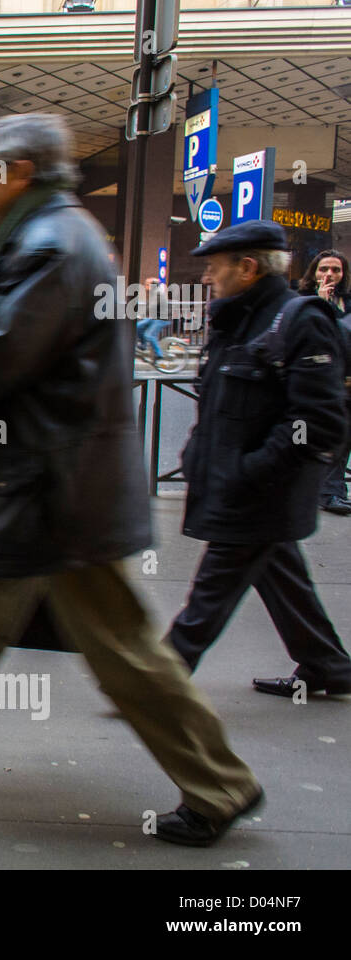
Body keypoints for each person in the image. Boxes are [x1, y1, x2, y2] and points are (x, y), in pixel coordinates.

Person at [0, 113, 262, 847]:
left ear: (19, 172)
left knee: (120, 647)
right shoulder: (61, 234)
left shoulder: (49, 246)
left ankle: (220, 785)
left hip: (52, 494)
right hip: (45, 485)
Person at [164, 222, 351, 699]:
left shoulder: (299, 319)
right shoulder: (237, 320)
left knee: (207, 599)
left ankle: (153, 685)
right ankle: (327, 665)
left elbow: (317, 422)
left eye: (214, 267)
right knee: (281, 573)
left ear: (247, 268)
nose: (207, 278)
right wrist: (198, 454)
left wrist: (251, 471)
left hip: (257, 495)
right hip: (240, 487)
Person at [296, 249, 351, 514]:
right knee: (302, 435)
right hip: (311, 382)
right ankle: (299, 487)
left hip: (343, 381)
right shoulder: (302, 300)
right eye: (324, 269)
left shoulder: (348, 302)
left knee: (342, 437)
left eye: (336, 270)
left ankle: (332, 492)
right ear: (314, 272)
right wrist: (321, 303)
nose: (329, 274)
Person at [135, 276, 168, 360]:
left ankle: (159, 354)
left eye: (147, 284)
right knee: (138, 326)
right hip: (153, 317)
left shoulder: (158, 293)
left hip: (161, 319)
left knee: (149, 335)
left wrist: (141, 315)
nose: (145, 286)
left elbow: (152, 306)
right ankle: (143, 345)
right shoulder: (153, 292)